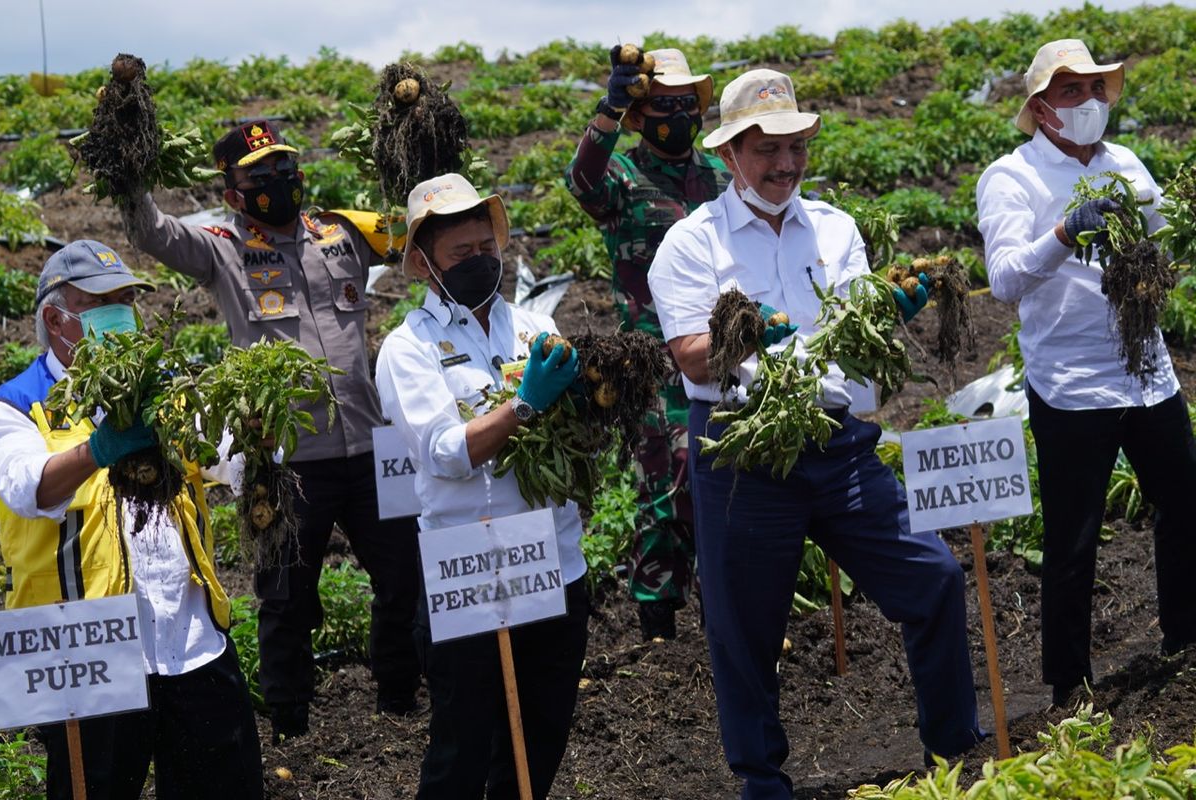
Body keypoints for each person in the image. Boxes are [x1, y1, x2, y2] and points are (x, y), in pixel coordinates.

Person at [647, 69, 984, 798]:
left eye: (796, 146)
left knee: (934, 577)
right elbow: (688, 357)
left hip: (837, 442)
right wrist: (738, 334)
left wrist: (886, 310)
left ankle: (955, 749)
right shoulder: (689, 243)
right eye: (767, 149)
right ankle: (762, 778)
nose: (786, 164)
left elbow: (849, 342)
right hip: (741, 447)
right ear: (729, 155)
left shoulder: (834, 228)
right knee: (745, 627)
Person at [121, 119, 422, 741]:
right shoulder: (221, 247)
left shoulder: (341, 232)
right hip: (283, 460)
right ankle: (291, 722)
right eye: (259, 175)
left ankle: (399, 698)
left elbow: (419, 227)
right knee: (285, 597)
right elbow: (151, 232)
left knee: (403, 577)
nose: (278, 181)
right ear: (232, 191)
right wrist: (129, 161)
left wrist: (412, 141)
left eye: (283, 166)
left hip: (369, 446)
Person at [0, 241, 264, 800]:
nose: (121, 314)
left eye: (127, 300)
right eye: (102, 302)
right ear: (55, 317)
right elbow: (27, 487)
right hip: (90, 653)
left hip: (192, 641)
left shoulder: (164, 388)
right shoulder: (18, 405)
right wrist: (98, 450)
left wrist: (256, 434)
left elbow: (227, 460)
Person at [977, 39, 1196, 707]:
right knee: (1072, 536)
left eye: (1096, 89)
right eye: (1071, 92)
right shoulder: (1011, 177)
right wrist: (1067, 231)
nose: (1090, 102)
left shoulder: (1126, 163)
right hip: (1069, 383)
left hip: (1147, 370)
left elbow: (1164, 246)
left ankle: (1185, 644)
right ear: (1041, 109)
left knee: (1186, 506)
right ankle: (1068, 682)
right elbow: (1005, 279)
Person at [374, 174, 589, 799]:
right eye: (460, 254)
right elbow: (444, 453)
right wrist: (523, 406)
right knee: (462, 744)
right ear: (422, 263)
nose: (479, 262)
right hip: (468, 563)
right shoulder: (407, 348)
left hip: (552, 557)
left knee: (542, 734)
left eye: (485, 249)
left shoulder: (531, 327)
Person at [565, 47, 731, 639]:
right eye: (664, 105)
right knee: (667, 482)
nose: (678, 115)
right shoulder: (624, 180)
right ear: (642, 113)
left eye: (687, 104)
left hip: (725, 354)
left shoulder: (719, 178)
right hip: (652, 361)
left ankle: (727, 611)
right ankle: (658, 619)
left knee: (727, 478)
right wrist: (609, 107)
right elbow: (580, 180)